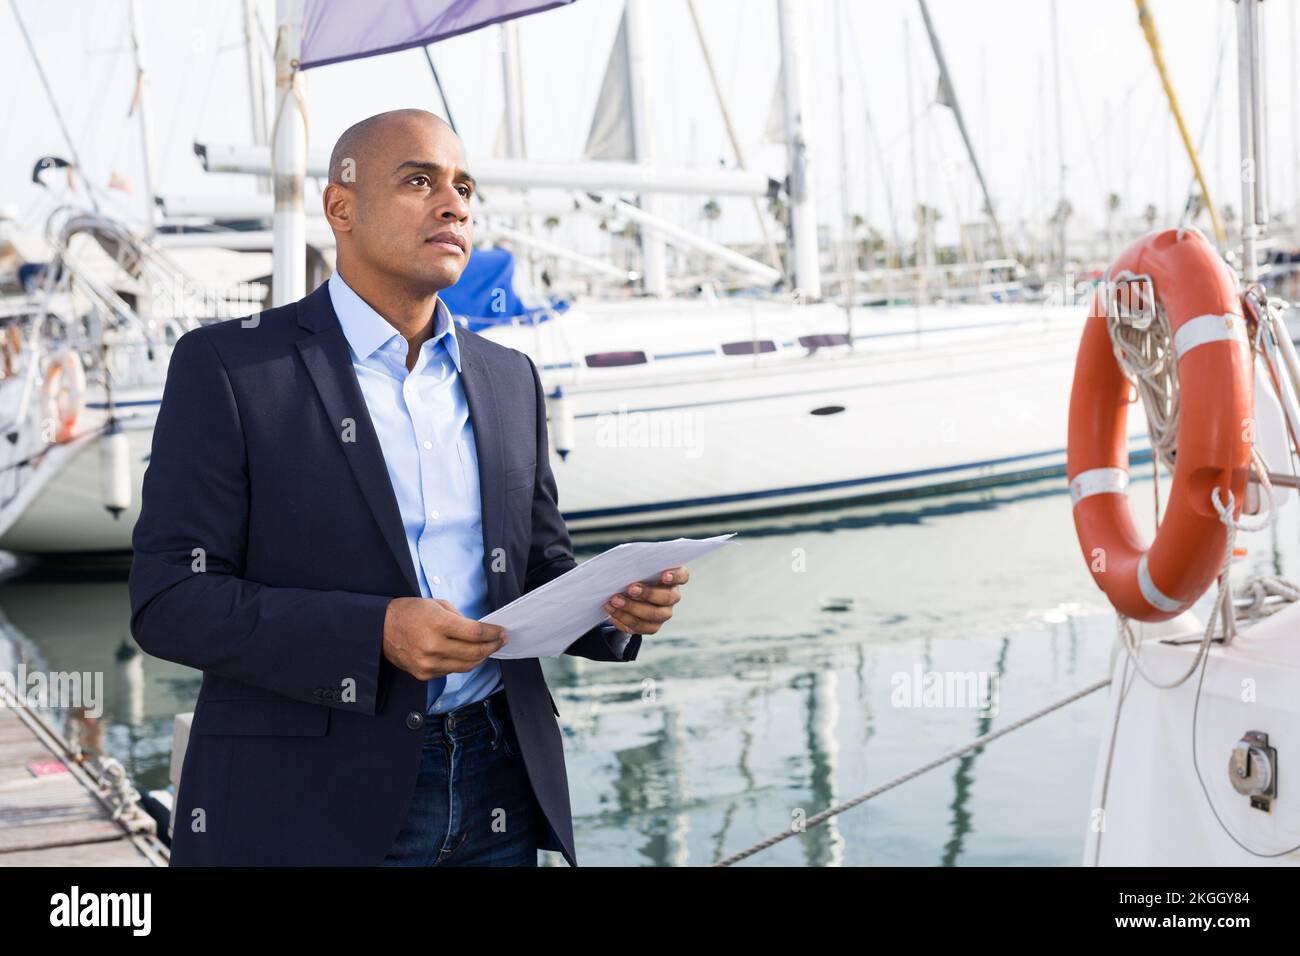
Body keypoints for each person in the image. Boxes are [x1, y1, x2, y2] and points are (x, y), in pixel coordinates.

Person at [128, 108, 690, 866]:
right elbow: (169, 602)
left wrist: (613, 606)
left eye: (462, 185)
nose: (453, 203)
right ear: (341, 208)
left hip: (499, 781)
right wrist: (375, 633)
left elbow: (535, 570)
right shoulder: (230, 369)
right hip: (309, 801)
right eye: (419, 181)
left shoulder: (509, 377)